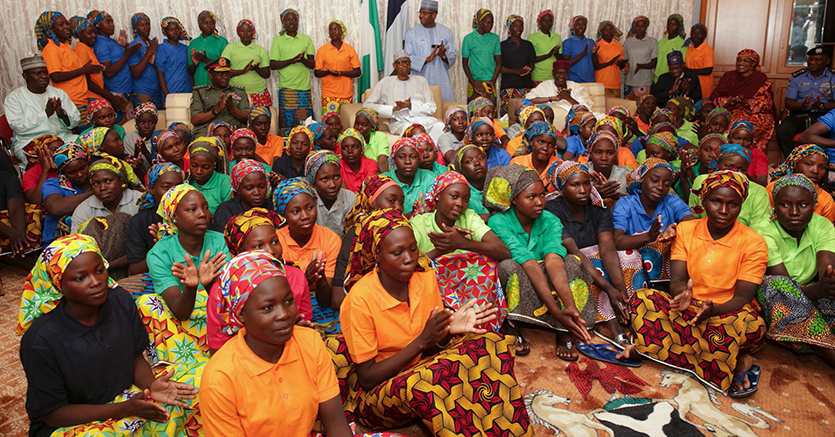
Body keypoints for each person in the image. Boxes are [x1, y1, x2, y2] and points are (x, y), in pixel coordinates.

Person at [340, 208, 532, 435]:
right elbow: (367, 378)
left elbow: (432, 348)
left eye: (413, 249)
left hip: (422, 366)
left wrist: (448, 331)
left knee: (488, 344)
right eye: (397, 253)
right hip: (377, 395)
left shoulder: (424, 278)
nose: (409, 258)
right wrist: (421, 342)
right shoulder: (359, 300)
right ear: (377, 256)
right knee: (433, 379)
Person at [18, 235, 200, 437]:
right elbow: (53, 414)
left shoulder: (120, 300)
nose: (96, 282)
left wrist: (150, 385)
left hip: (124, 397)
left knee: (193, 392)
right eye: (80, 278)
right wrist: (123, 409)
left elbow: (134, 356)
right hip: (73, 422)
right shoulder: (40, 340)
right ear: (58, 284)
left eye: (99, 270)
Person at [628, 171, 767, 397]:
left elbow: (742, 297)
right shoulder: (686, 230)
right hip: (690, 307)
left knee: (738, 327)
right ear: (703, 202)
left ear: (741, 204)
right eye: (716, 202)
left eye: (732, 204)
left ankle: (656, 349)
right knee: (643, 300)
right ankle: (722, 360)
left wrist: (712, 311)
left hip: (729, 313)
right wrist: (681, 295)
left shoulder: (754, 243)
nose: (723, 210)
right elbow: (679, 280)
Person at [200, 251, 353, 437]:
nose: (284, 314)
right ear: (240, 314)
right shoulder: (220, 378)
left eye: (288, 301)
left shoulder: (310, 343)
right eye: (268, 307)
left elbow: (336, 424)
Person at [483, 164, 597, 360]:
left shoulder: (551, 220)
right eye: (531, 197)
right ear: (514, 200)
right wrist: (554, 309)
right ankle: (514, 326)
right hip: (524, 274)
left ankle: (564, 327)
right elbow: (526, 260)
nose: (539, 202)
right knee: (507, 266)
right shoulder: (498, 221)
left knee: (571, 261)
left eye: (542, 195)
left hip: (549, 274)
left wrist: (568, 305)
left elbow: (553, 258)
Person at [545, 161, 646, 358]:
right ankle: (608, 321)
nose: (582, 190)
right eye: (574, 185)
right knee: (584, 264)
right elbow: (573, 251)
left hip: (598, 254)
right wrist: (608, 289)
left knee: (630, 255)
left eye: (586, 184)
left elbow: (607, 247)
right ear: (561, 188)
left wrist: (619, 289)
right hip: (571, 256)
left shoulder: (599, 207)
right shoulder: (552, 210)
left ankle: (629, 309)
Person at [410, 171, 510, 331]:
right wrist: (442, 250)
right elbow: (410, 266)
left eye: (465, 199)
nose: (460, 204)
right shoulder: (419, 224)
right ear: (438, 196)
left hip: (469, 287)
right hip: (435, 290)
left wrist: (463, 243)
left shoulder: (469, 218)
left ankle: (484, 323)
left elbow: (503, 251)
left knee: (486, 261)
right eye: (454, 196)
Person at [757, 174, 835, 366]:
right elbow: (784, 282)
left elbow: (828, 268)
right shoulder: (763, 228)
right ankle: (827, 351)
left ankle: (809, 339)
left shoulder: (822, 224)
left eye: (803, 205)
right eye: (785, 205)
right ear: (774, 205)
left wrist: (828, 283)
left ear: (814, 205)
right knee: (776, 285)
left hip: (809, 292)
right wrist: (817, 290)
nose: (794, 212)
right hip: (773, 298)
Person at [208, 210, 312, 352]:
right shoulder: (222, 291)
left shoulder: (296, 276)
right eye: (258, 246)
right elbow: (217, 348)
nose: (270, 251)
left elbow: (306, 323)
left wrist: (297, 331)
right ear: (239, 252)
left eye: (275, 241)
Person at [273, 178, 342, 334]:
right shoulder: (276, 242)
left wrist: (321, 280)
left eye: (309, 207)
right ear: (284, 214)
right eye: (296, 211)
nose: (305, 216)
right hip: (286, 305)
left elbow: (326, 301)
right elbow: (273, 293)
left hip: (321, 304)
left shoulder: (330, 239)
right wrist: (304, 280)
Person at [613, 158, 694, 284]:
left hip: (669, 271)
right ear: (642, 179)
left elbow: (692, 226)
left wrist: (676, 231)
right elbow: (617, 241)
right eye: (655, 180)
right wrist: (649, 237)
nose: (660, 187)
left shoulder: (672, 202)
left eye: (666, 184)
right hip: (634, 272)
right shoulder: (626, 204)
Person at [5, 54, 79, 170]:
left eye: (45, 73)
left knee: (83, 146)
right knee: (48, 158)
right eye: (38, 73)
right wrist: (46, 114)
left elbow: (75, 121)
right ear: (25, 76)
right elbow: (18, 126)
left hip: (62, 137)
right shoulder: (14, 98)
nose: (43, 76)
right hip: (30, 141)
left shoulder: (59, 93)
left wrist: (62, 114)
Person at [362, 50, 445, 140]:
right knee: (416, 130)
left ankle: (438, 153)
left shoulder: (421, 81)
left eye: (407, 62)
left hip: (423, 119)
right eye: (401, 62)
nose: (405, 65)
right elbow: (367, 106)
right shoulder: (385, 82)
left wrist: (411, 106)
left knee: (440, 127)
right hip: (400, 122)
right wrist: (392, 109)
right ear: (394, 65)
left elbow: (432, 107)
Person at [36, 12, 104, 122]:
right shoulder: (51, 48)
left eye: (67, 24)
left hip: (81, 99)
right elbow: (55, 76)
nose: (66, 27)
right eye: (61, 24)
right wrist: (83, 70)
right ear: (51, 29)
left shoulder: (65, 47)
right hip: (71, 100)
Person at [689, 144, 770, 231]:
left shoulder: (759, 191)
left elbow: (759, 227)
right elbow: (694, 216)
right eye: (729, 167)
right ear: (718, 165)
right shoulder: (702, 181)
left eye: (741, 170)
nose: (734, 173)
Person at [711, 49, 775, 151]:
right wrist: (728, 101)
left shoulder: (760, 78)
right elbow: (714, 97)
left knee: (746, 126)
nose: (741, 63)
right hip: (730, 111)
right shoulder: (729, 76)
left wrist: (747, 102)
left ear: (753, 64)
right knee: (723, 123)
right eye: (739, 60)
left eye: (745, 61)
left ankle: (747, 155)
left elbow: (767, 103)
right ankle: (725, 154)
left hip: (753, 112)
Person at [777, 46, 835, 157]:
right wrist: (802, 105)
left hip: (824, 116)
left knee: (826, 136)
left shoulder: (833, 77)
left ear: (827, 61)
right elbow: (789, 103)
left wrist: (822, 106)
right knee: (782, 132)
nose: (812, 62)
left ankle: (821, 162)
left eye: (817, 60)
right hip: (800, 114)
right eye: (810, 59)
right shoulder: (797, 77)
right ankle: (792, 161)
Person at [128, 163, 183, 275]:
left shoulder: (194, 215)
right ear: (152, 189)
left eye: (178, 186)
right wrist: (161, 248)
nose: (173, 193)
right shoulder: (140, 222)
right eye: (166, 187)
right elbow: (135, 270)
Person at [70, 156, 142, 241]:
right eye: (96, 183)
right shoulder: (84, 210)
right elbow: (77, 243)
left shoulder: (140, 201)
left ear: (121, 181)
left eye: (108, 181)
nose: (102, 188)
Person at [270, 9, 315, 135]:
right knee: (287, 126)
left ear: (298, 21)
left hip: (304, 89)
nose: (291, 22)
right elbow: (273, 64)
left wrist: (301, 60)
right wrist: (292, 60)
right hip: (287, 89)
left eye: (294, 19)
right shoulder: (278, 41)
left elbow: (312, 64)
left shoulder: (306, 39)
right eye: (288, 19)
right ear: (283, 22)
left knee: (305, 125)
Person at [89, 10, 139, 121]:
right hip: (116, 92)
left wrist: (124, 46)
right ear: (98, 25)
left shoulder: (110, 41)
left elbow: (119, 60)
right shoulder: (101, 44)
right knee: (122, 127)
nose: (112, 25)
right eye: (107, 22)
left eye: (112, 21)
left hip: (125, 90)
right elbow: (109, 72)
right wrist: (127, 53)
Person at [69, 16, 123, 116]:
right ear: (80, 34)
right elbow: (87, 81)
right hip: (90, 97)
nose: (94, 36)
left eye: (95, 32)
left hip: (97, 96)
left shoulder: (88, 49)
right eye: (89, 33)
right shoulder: (81, 51)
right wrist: (111, 97)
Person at [404, 1, 457, 102]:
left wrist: (443, 56)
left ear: (434, 15)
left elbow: (453, 55)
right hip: (419, 79)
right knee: (419, 109)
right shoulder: (412, 33)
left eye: (424, 13)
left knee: (442, 109)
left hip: (440, 79)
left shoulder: (445, 32)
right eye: (420, 12)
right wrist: (426, 59)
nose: (420, 16)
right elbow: (407, 57)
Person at [768, 144, 835, 221]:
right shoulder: (773, 189)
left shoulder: (826, 199)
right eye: (809, 164)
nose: (815, 171)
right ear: (794, 164)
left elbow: (827, 229)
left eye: (822, 167)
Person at [190, 58, 250, 137]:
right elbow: (195, 120)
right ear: (210, 76)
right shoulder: (200, 92)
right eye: (220, 75)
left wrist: (232, 110)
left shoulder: (239, 92)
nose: (225, 77)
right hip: (207, 132)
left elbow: (248, 118)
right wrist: (215, 111)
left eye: (227, 74)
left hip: (234, 131)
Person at [305, 150, 356, 237]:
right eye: (324, 179)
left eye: (336, 177)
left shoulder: (349, 198)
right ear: (313, 182)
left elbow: (350, 234)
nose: (332, 185)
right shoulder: (307, 200)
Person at [211, 159, 272, 232]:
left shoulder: (270, 206)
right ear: (238, 189)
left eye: (261, 186)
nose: (257, 192)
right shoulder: (226, 211)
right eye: (249, 188)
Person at [314, 20, 360, 115]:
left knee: (344, 124)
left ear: (342, 31)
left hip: (346, 94)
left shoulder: (349, 49)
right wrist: (328, 72)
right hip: (329, 94)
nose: (333, 31)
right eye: (330, 29)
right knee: (330, 124)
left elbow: (357, 72)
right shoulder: (322, 50)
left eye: (336, 29)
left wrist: (341, 73)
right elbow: (317, 73)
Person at [222, 19, 271, 106]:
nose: (245, 33)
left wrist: (256, 68)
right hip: (236, 93)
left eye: (248, 31)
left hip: (258, 93)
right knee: (237, 118)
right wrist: (243, 71)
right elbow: (223, 71)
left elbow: (266, 74)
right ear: (237, 32)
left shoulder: (260, 50)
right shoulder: (230, 48)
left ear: (253, 32)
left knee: (260, 118)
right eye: (242, 30)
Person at [382, 137, 435, 216]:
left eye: (413, 157)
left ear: (419, 159)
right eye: (402, 157)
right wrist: (413, 213)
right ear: (394, 159)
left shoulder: (429, 178)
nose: (408, 162)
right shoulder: (384, 181)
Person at [525, 60, 595, 114]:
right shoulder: (545, 85)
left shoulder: (576, 87)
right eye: (559, 73)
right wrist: (552, 98)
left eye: (565, 73)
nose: (561, 76)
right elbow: (528, 101)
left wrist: (568, 98)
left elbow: (585, 110)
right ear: (553, 73)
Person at [462, 9, 501, 103]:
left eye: (492, 23)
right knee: (474, 112)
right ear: (480, 22)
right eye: (487, 22)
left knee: (490, 112)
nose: (490, 25)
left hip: (490, 82)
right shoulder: (468, 39)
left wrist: (493, 80)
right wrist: (473, 83)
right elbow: (465, 64)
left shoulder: (495, 38)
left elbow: (499, 63)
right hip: (475, 81)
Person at [499, 15, 536, 116]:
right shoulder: (502, 45)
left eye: (521, 25)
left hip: (526, 86)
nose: (519, 28)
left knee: (526, 115)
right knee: (506, 116)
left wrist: (529, 69)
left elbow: (532, 63)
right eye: (516, 25)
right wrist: (516, 71)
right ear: (510, 27)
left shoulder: (528, 45)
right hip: (508, 87)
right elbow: (499, 68)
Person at [0, 169, 40, 256]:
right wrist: (11, 233)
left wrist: (19, 236)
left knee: (34, 212)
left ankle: (21, 247)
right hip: (5, 229)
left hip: (9, 224)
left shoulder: (8, 178)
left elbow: (16, 208)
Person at [510, 120, 561, 187]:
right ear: (531, 142)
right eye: (541, 142)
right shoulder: (518, 163)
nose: (545, 148)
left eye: (551, 145)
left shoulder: (559, 167)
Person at [586, 131, 631, 207]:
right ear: (590, 153)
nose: (604, 158)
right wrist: (593, 193)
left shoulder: (626, 174)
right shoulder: (581, 172)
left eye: (610, 153)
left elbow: (639, 201)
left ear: (616, 154)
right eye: (598, 152)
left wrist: (617, 196)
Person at [187, 137, 231, 214]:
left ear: (214, 165)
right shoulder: (186, 185)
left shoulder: (226, 183)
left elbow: (228, 214)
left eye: (206, 167)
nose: (198, 171)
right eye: (194, 166)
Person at [127, 13, 162, 107]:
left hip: (157, 92)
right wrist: (149, 53)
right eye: (141, 25)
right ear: (135, 28)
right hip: (142, 93)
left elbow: (160, 68)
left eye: (147, 24)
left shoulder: (153, 44)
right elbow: (135, 73)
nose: (145, 27)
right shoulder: (134, 46)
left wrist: (153, 62)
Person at [188, 10, 229, 88]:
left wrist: (205, 59)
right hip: (200, 86)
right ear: (200, 24)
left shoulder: (221, 41)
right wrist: (195, 63)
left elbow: (226, 67)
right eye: (205, 23)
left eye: (212, 23)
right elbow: (190, 71)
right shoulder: (194, 43)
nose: (209, 25)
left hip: (218, 88)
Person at [155, 17, 192, 96]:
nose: (175, 32)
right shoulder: (161, 49)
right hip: (171, 92)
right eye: (171, 30)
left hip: (187, 91)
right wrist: (167, 95)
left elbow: (190, 72)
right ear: (164, 32)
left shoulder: (185, 48)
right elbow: (160, 74)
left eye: (177, 29)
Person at [623, 16, 657, 100]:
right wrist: (624, 66)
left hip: (645, 82)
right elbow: (624, 61)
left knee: (644, 108)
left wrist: (640, 66)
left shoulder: (652, 42)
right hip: (630, 81)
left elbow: (654, 63)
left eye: (642, 26)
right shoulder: (628, 42)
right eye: (637, 26)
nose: (639, 28)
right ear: (634, 27)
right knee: (630, 107)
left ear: (646, 27)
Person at [593, 21, 627, 97]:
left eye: (611, 29)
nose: (608, 32)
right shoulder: (597, 45)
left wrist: (622, 64)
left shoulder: (619, 45)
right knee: (601, 108)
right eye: (606, 29)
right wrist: (610, 62)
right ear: (601, 32)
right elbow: (595, 65)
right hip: (601, 82)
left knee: (614, 108)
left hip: (615, 83)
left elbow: (621, 66)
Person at [728, 121, 768, 185]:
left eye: (747, 140)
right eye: (737, 138)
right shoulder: (723, 152)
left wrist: (745, 176)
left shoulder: (757, 155)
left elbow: (763, 183)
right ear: (729, 138)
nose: (741, 143)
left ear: (752, 142)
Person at [528, 10, 562, 87]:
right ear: (539, 22)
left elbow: (560, 58)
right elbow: (530, 59)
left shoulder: (557, 37)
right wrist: (548, 55)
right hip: (538, 77)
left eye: (550, 20)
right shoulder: (532, 37)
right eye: (545, 20)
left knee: (553, 99)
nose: (547, 23)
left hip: (554, 77)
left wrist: (556, 54)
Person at [683, 24, 714, 100]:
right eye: (693, 33)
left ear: (704, 35)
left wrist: (688, 70)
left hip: (703, 85)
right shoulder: (689, 49)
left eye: (699, 33)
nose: (696, 36)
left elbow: (708, 70)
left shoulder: (707, 50)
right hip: (691, 85)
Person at [353, 109, 390, 173]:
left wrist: (385, 179)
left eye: (364, 125)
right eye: (356, 124)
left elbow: (382, 161)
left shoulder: (379, 136)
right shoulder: (352, 137)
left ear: (372, 127)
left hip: (380, 171)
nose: (359, 127)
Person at [655, 14, 688, 82]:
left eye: (674, 24)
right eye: (669, 24)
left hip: (671, 80)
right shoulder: (660, 42)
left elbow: (682, 65)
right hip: (657, 78)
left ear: (679, 27)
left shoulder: (682, 44)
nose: (671, 27)